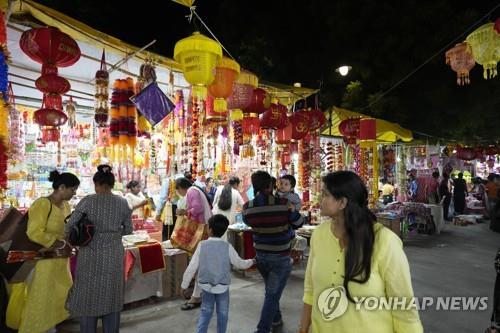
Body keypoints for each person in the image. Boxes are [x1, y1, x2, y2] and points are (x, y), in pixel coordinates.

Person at [298, 171, 423, 333]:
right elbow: (310, 290)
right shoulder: (319, 235)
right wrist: (303, 327)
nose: (319, 200)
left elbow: (404, 308)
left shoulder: (384, 242)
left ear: (342, 202)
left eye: (325, 195)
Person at [65, 165, 133, 333]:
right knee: (111, 294)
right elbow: (129, 229)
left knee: (89, 294)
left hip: (90, 254)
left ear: (96, 184)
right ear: (112, 184)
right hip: (113, 255)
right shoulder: (123, 202)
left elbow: (70, 225)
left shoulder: (88, 201)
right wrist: (113, 233)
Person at [17, 170, 79, 333]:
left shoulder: (66, 205)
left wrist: (70, 241)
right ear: (61, 187)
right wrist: (57, 242)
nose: (74, 193)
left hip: (60, 259)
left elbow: (66, 228)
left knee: (58, 294)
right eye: (72, 189)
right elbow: (34, 232)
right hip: (42, 260)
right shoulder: (42, 204)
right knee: (41, 297)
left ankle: (50, 327)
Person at [242, 171, 304, 332]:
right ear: (271, 185)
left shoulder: (248, 207)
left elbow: (247, 222)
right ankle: (263, 329)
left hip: (261, 256)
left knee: (271, 289)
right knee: (272, 294)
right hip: (280, 257)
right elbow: (299, 222)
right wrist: (292, 212)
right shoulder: (284, 204)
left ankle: (276, 319)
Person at [181, 214, 254, 333]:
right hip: (222, 286)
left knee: (206, 312)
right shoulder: (227, 247)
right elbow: (240, 263)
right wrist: (253, 261)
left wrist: (184, 285)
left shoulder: (202, 245)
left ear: (210, 229)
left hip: (206, 285)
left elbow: (192, 267)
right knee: (223, 314)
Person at [175, 177, 214, 311]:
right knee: (200, 263)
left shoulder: (192, 191)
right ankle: (198, 294)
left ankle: (197, 295)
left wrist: (184, 212)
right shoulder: (197, 189)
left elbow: (197, 209)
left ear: (180, 187)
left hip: (201, 230)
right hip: (204, 229)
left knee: (197, 263)